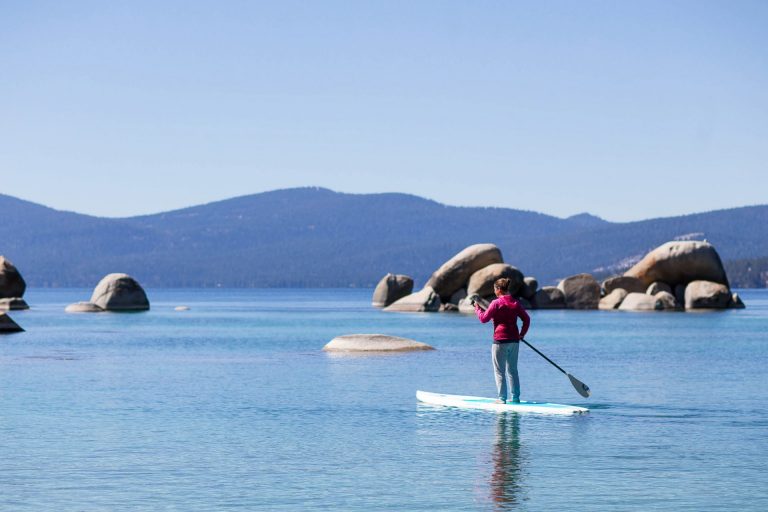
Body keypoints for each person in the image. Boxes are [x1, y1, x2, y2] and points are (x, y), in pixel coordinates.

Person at [474, 278, 530, 404]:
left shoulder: (496, 303)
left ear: (499, 289)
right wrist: (521, 334)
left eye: (495, 289)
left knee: (499, 371)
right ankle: (516, 398)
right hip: (514, 341)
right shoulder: (515, 303)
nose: (494, 292)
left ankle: (502, 399)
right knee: (513, 370)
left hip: (500, 341)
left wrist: (477, 308)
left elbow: (483, 319)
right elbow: (526, 319)